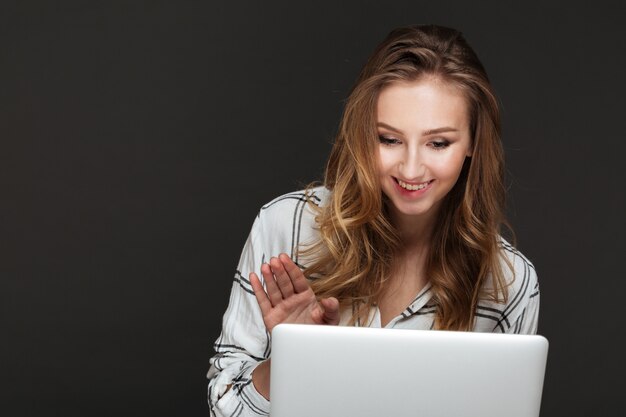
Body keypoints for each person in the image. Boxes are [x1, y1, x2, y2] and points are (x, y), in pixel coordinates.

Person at [207, 24, 539, 417]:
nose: (412, 168)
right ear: (364, 134)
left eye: (438, 143)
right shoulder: (285, 225)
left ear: (472, 143)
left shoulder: (511, 282)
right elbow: (222, 405)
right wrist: (296, 355)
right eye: (388, 139)